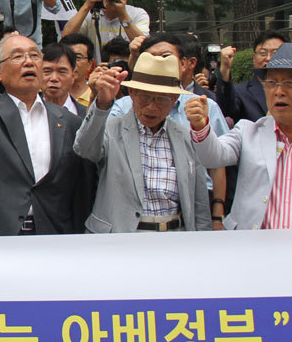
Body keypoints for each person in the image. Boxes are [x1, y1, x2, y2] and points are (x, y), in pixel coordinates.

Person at [0, 35, 94, 235]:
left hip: (52, 235)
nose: (29, 61)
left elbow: (80, 187)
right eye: (17, 57)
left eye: (34, 55)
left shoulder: (69, 121)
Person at [187, 42, 292, 230]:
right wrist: (200, 126)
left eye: (290, 83)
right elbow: (213, 156)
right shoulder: (248, 131)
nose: (279, 92)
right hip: (253, 248)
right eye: (271, 83)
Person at [75, 53, 211, 233]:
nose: (152, 107)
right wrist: (102, 104)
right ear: (131, 93)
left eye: (162, 99)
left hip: (174, 236)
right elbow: (84, 149)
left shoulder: (186, 136)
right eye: (145, 97)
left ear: (174, 100)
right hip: (120, 236)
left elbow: (199, 200)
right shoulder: (111, 128)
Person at [109, 33, 230, 228]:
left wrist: (217, 215)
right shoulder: (121, 109)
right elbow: (94, 151)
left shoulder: (204, 108)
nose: (152, 107)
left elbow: (217, 163)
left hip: (190, 206)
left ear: (184, 63)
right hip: (127, 218)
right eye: (150, 57)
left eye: (165, 57)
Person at [61, 0, 149, 63]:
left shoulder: (138, 14)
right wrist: (86, 6)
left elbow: (144, 46)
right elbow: (65, 39)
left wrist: (123, 15)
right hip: (98, 74)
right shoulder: (91, 15)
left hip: (128, 73)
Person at [215, 30, 287, 124]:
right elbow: (226, 110)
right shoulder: (241, 92)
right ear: (254, 58)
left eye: (275, 53)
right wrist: (225, 69)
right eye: (263, 53)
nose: (268, 58)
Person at [41, 42, 86, 116]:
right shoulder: (25, 111)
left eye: (61, 72)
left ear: (73, 76)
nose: (54, 78)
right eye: (47, 71)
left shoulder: (85, 115)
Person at [60, 33, 97, 106]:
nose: (72, 63)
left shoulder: (97, 97)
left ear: (90, 64)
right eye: (67, 57)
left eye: (78, 58)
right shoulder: (48, 95)